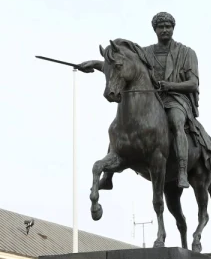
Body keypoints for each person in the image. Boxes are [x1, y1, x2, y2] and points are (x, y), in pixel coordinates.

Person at [77, 12, 200, 188]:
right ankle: (107, 176)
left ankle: (181, 171)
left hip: (175, 99)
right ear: (155, 30)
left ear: (173, 28)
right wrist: (94, 64)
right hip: (151, 101)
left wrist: (170, 86)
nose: (164, 30)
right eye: (160, 27)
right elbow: (120, 66)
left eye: (168, 26)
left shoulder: (187, 53)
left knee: (176, 120)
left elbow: (193, 83)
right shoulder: (146, 53)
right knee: (120, 126)